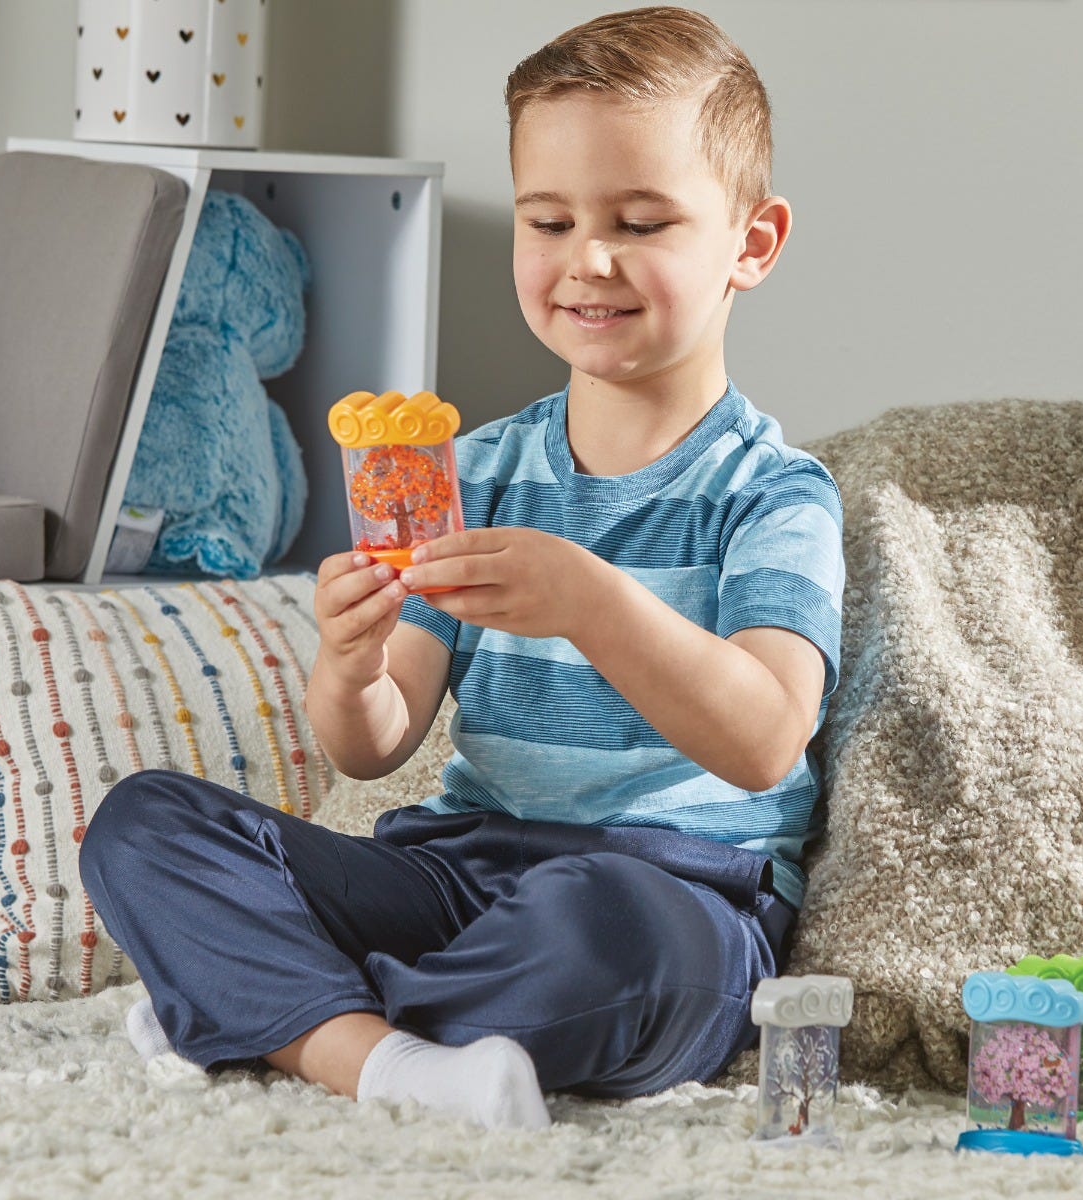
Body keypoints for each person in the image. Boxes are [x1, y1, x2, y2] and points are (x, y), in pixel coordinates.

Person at [79, 5, 844, 1133]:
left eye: (642, 220)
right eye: (549, 219)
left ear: (752, 243)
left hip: (667, 895)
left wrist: (588, 600)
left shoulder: (774, 493)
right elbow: (376, 740)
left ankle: (265, 1019)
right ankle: (374, 1052)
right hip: (454, 876)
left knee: (613, 934)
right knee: (142, 826)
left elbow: (767, 734)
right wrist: (349, 663)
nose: (589, 258)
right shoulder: (470, 471)